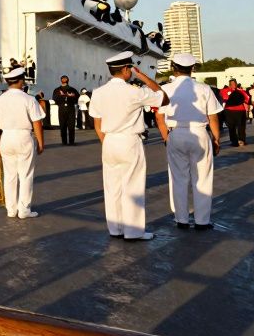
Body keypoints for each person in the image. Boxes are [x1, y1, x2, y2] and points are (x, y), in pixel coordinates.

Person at [89, 52, 168, 241]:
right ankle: (133, 232)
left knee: (112, 187)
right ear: (126, 69)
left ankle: (115, 229)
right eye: (130, 69)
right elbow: (163, 98)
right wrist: (143, 77)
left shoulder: (98, 93)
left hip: (109, 141)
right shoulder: (134, 91)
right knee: (132, 186)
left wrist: (106, 142)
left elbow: (97, 123)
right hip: (129, 140)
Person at [156, 54, 222, 230]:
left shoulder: (166, 89)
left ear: (173, 67)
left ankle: (181, 219)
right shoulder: (204, 88)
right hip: (200, 132)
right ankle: (202, 221)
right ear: (192, 68)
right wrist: (216, 139)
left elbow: (159, 116)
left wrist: (165, 137)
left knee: (178, 178)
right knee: (202, 178)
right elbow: (213, 116)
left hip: (176, 132)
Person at [0, 68, 45, 219]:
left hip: (6, 137)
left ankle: (11, 209)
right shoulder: (29, 99)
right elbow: (37, 123)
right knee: (25, 175)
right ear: (21, 80)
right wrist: (40, 143)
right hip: (24, 136)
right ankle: (24, 210)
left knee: (9, 175)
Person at [219, 79, 250, 147]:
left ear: (236, 84)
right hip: (229, 111)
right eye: (232, 84)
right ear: (229, 84)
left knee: (241, 126)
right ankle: (234, 141)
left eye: (234, 83)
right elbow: (221, 98)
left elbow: (247, 99)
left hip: (240, 111)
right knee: (231, 127)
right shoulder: (224, 91)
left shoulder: (241, 91)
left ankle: (241, 140)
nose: (233, 85)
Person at [51, 76, 80, 146]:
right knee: (62, 126)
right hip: (61, 109)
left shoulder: (73, 89)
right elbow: (55, 98)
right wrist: (63, 99)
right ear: (61, 80)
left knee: (71, 126)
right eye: (63, 78)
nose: (64, 79)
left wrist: (69, 98)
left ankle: (71, 142)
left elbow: (77, 98)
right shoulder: (57, 90)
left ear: (68, 80)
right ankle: (64, 142)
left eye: (65, 78)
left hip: (71, 109)